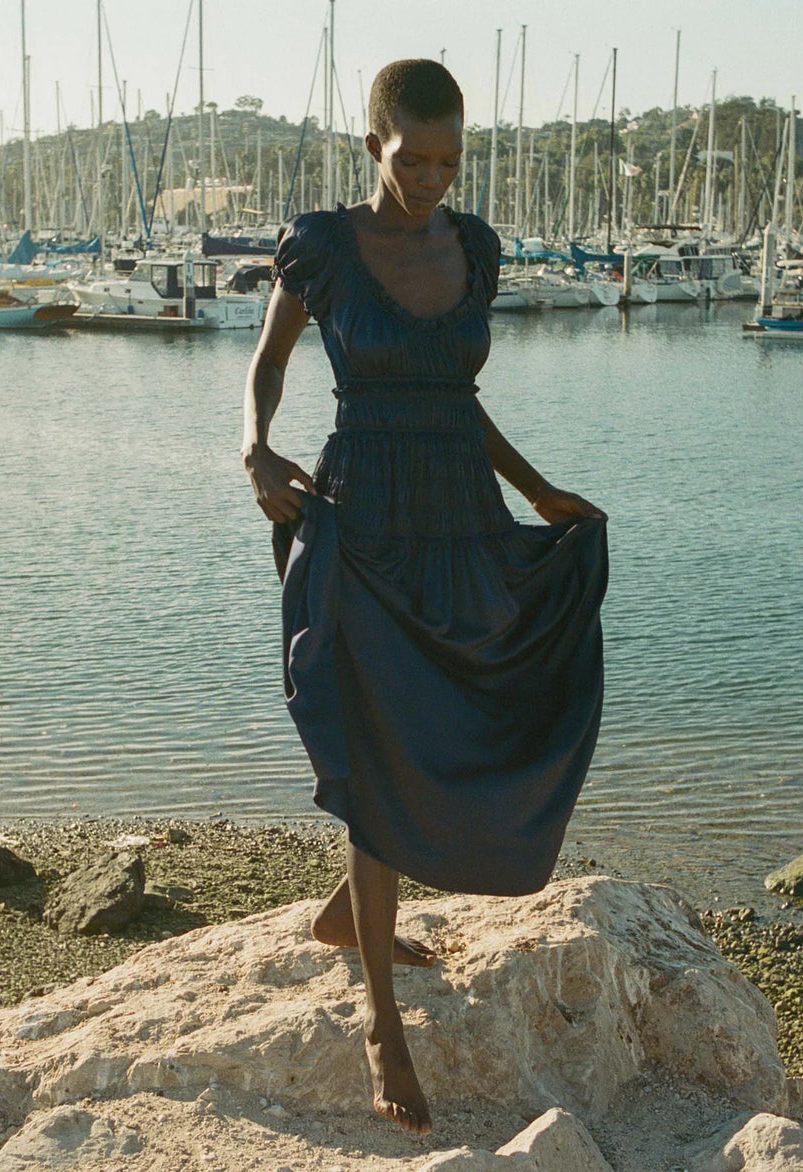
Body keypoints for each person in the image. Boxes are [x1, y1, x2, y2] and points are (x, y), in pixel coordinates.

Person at [242, 59, 608, 1136]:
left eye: (451, 160)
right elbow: (265, 364)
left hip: (457, 513)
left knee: (461, 707)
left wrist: (538, 490)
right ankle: (383, 1030)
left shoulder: (474, 247)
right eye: (414, 159)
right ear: (373, 148)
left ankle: (346, 911)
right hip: (362, 518)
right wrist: (254, 448)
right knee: (376, 729)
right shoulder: (322, 245)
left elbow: (460, 400)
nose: (434, 180)